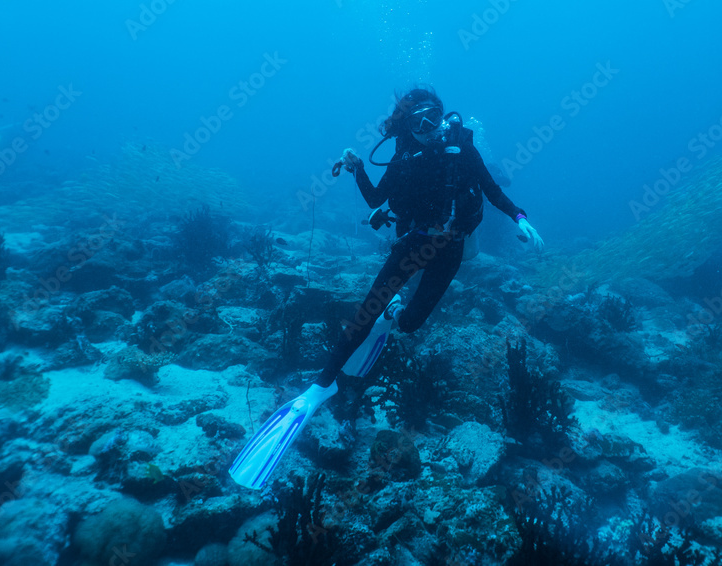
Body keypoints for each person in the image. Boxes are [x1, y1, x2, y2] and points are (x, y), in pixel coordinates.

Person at [229, 87, 544, 489]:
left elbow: (491, 189)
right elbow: (377, 197)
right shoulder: (403, 154)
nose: (427, 129)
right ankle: (319, 387)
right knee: (365, 312)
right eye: (417, 122)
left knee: (411, 324)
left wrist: (520, 216)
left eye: (432, 118)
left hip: (451, 247)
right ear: (409, 126)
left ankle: (394, 312)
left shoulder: (462, 149)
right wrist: (358, 167)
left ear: (443, 116)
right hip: (414, 242)